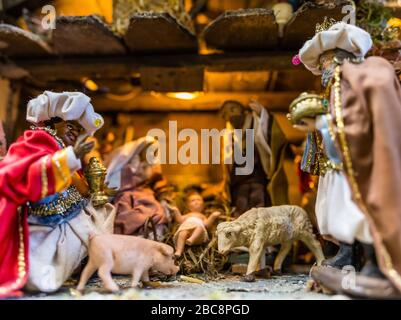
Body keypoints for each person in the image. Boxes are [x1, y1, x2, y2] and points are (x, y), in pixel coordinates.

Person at [291, 20, 401, 298]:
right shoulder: (337, 87)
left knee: (360, 211)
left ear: (340, 59)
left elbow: (352, 125)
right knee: (340, 213)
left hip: (355, 165)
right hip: (339, 164)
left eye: (327, 62)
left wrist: (322, 126)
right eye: (323, 64)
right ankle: (354, 257)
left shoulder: (353, 81)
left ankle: (374, 265)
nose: (324, 70)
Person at [0, 91, 115, 297]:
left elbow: (80, 187)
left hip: (63, 219)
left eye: (79, 129)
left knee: (104, 212)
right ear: (52, 123)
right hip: (39, 223)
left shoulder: (62, 148)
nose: (74, 132)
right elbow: (25, 175)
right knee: (39, 273)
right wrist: (69, 158)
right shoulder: (37, 140)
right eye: (70, 125)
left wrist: (96, 189)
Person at [220, 99, 288, 217]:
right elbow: (227, 160)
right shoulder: (228, 134)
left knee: (260, 212)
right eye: (225, 114)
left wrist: (263, 114)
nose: (230, 114)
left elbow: (272, 135)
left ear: (242, 109)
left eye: (233, 109)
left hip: (258, 179)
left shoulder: (257, 122)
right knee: (241, 213)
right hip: (239, 182)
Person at [172, 191, 221, 257]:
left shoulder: (202, 216)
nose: (196, 202)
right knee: (182, 233)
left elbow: (207, 225)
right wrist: (176, 211)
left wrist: (213, 216)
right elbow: (179, 220)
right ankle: (179, 250)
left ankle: (191, 239)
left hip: (198, 232)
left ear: (203, 205)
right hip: (186, 227)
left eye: (198, 200)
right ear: (188, 206)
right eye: (193, 200)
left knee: (200, 228)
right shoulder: (188, 215)